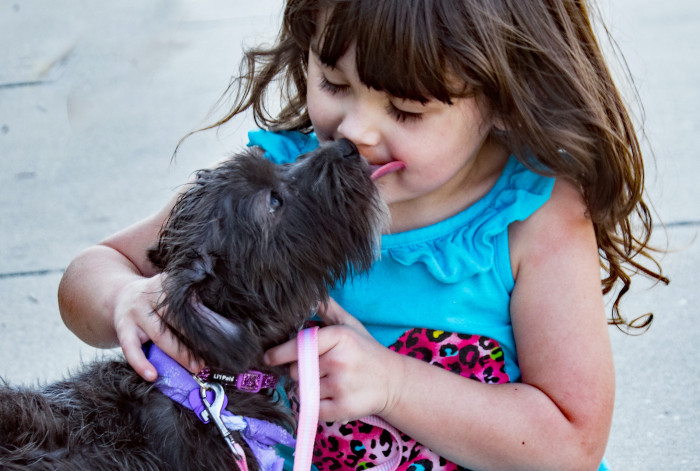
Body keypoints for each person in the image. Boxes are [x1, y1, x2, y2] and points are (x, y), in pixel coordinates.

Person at [58, 1, 668, 470]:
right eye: (334, 82)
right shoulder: (283, 183)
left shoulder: (532, 219)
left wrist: (394, 384)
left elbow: (571, 440)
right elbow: (96, 267)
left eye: (405, 110)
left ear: (505, 98)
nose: (356, 131)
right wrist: (122, 300)